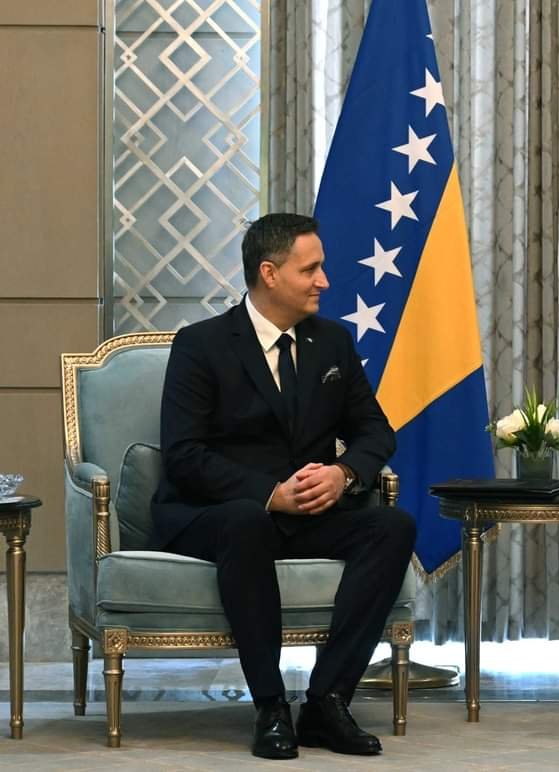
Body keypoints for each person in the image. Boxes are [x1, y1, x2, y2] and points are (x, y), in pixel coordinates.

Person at [152, 213, 416, 760]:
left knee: (393, 527)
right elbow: (184, 456)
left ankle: (326, 702)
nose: (324, 281)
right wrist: (269, 493)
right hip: (220, 513)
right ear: (269, 274)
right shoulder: (201, 345)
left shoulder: (332, 343)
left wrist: (343, 474)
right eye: (311, 269)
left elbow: (375, 432)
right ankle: (270, 706)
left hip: (307, 514)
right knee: (247, 520)